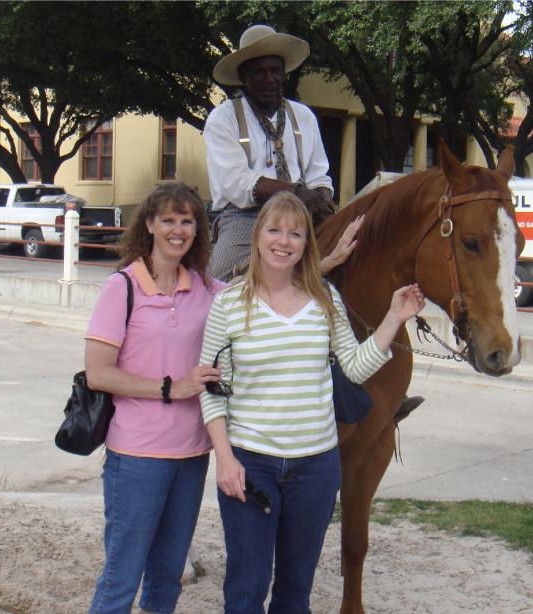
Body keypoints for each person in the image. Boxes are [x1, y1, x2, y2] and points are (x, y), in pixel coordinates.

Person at [199, 192, 426, 613]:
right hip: (252, 464)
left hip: (316, 469)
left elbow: (355, 368)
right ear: (258, 237)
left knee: (295, 592)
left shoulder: (325, 300)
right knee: (246, 590)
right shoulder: (228, 304)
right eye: (274, 230)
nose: (283, 241)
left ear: (307, 243)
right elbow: (212, 390)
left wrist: (394, 317)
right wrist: (225, 459)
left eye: (295, 233)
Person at [85, 183, 226, 613]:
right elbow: (97, 373)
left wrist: (326, 260)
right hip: (137, 456)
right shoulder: (122, 288)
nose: (178, 230)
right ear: (149, 224)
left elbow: (265, 286)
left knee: (167, 579)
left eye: (187, 221)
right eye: (168, 220)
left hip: (191, 453)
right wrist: (170, 387)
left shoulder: (206, 288)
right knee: (121, 578)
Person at [205, 24, 335, 282]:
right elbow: (236, 181)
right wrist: (295, 191)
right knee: (220, 277)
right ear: (244, 76)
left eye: (275, 71)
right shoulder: (223, 118)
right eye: (259, 73)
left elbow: (319, 173)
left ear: (283, 73)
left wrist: (321, 197)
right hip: (247, 216)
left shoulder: (304, 117)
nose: (269, 79)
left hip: (304, 211)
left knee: (353, 254)